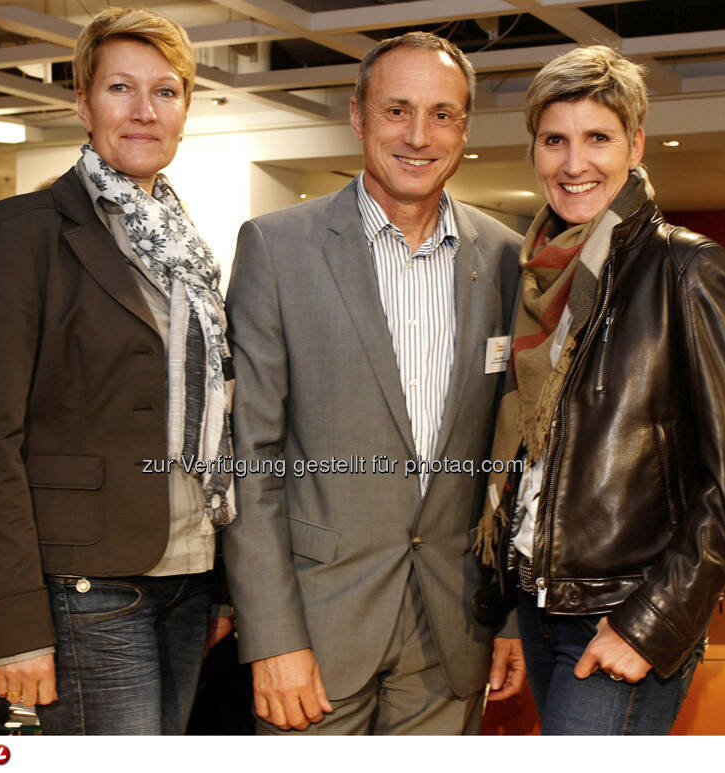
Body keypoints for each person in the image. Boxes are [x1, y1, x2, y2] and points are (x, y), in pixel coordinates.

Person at [223, 31, 524, 735]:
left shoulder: (510, 258)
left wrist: (508, 613)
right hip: (316, 631)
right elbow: (249, 461)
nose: (419, 135)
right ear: (358, 117)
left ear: (465, 127)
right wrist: (269, 636)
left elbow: (514, 461)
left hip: (452, 632)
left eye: (442, 114)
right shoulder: (277, 247)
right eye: (398, 110)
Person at [0, 7, 232, 735]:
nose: (144, 112)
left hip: (188, 576)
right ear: (82, 102)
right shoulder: (21, 232)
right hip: (86, 583)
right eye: (120, 89)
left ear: (184, 110)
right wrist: (14, 626)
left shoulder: (189, 253)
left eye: (165, 92)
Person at [476, 45, 725, 735]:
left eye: (597, 138)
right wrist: (512, 612)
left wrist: (652, 623)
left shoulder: (688, 267)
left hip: (625, 612)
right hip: (541, 610)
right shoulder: (533, 281)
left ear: (635, 144)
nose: (574, 164)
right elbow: (533, 470)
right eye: (555, 140)